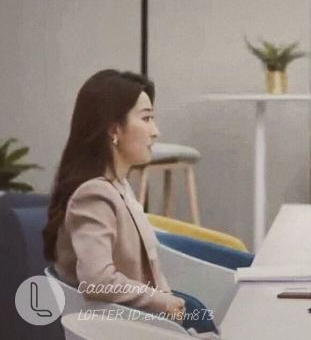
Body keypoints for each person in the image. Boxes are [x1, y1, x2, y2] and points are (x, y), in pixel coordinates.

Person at [42, 69, 216, 335]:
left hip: (147, 325)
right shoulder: (94, 195)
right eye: (146, 119)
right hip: (130, 329)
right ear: (114, 129)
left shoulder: (118, 186)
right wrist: (160, 301)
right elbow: (97, 280)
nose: (155, 132)